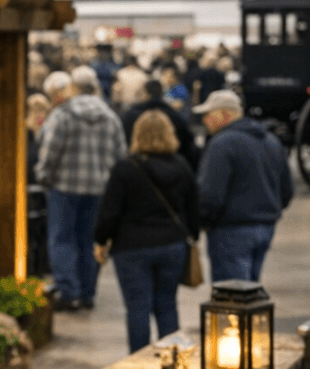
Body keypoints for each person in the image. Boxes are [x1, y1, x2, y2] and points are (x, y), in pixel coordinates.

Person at [94, 111, 199, 352]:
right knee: (167, 305)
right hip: (172, 245)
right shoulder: (182, 166)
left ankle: (138, 364)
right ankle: (173, 359)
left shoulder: (125, 169)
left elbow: (110, 211)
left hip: (132, 247)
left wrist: (101, 240)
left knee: (137, 306)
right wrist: (193, 235)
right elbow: (193, 207)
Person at [37, 67, 126, 311]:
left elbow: (50, 152)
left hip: (64, 187)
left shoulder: (63, 115)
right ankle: (88, 292)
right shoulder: (110, 117)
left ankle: (68, 292)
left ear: (73, 87)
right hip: (99, 189)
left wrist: (43, 177)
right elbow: (121, 157)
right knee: (89, 241)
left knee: (62, 239)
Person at [195, 89, 293, 282]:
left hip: (230, 230)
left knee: (232, 297)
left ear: (224, 114)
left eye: (208, 114)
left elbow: (210, 195)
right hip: (265, 227)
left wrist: (204, 222)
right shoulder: (272, 141)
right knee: (252, 293)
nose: (205, 120)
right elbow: (287, 191)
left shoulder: (222, 144)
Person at [122, 79, 201, 173]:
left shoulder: (131, 116)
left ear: (145, 94)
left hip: (137, 168)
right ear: (161, 94)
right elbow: (187, 145)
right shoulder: (175, 116)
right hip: (171, 170)